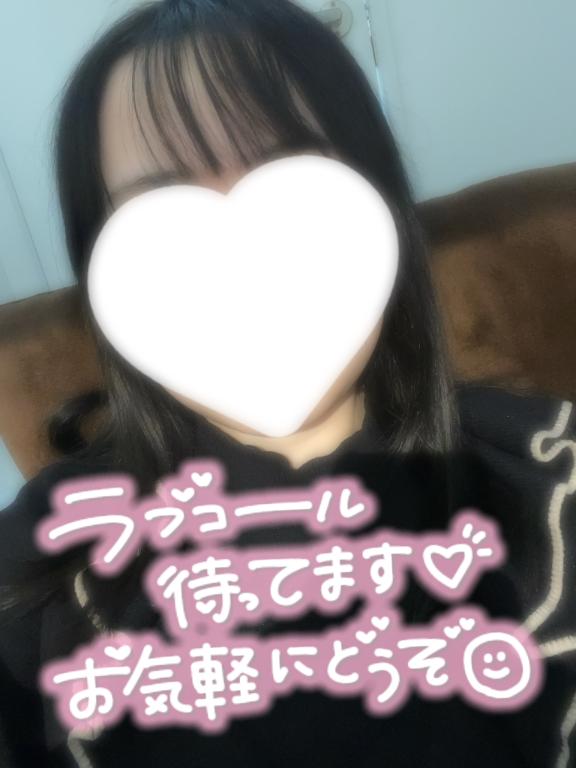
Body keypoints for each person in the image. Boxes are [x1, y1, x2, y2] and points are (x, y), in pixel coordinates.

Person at [0, 1, 575, 766]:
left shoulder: (551, 476)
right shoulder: (41, 561)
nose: (248, 264)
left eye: (294, 181)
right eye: (161, 208)